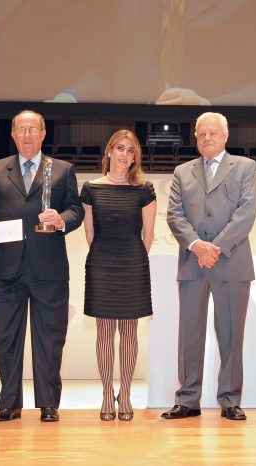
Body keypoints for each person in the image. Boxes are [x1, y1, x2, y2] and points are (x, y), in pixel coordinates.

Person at [0, 110, 83, 422]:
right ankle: (9, 403)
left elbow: (76, 210)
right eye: (22, 129)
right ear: (13, 134)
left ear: (43, 134)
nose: (28, 135)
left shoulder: (61, 169)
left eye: (34, 129)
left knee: (50, 338)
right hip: (6, 269)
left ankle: (49, 403)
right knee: (6, 338)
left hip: (49, 268)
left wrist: (62, 220)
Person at [162, 112, 256, 421]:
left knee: (231, 334)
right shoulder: (181, 171)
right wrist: (196, 246)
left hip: (231, 262)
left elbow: (246, 212)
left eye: (213, 133)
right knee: (189, 334)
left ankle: (230, 400)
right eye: (201, 134)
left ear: (225, 136)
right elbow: (174, 214)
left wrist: (215, 248)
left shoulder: (245, 167)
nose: (207, 138)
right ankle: (188, 399)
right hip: (193, 262)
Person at [80, 130, 157, 422]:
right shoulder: (91, 188)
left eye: (131, 150)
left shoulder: (144, 189)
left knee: (128, 331)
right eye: (120, 148)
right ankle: (105, 393)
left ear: (135, 157)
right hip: (101, 262)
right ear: (109, 152)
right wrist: (104, 258)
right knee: (103, 331)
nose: (125, 154)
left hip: (132, 264)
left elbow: (148, 235)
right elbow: (90, 233)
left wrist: (133, 260)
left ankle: (124, 393)